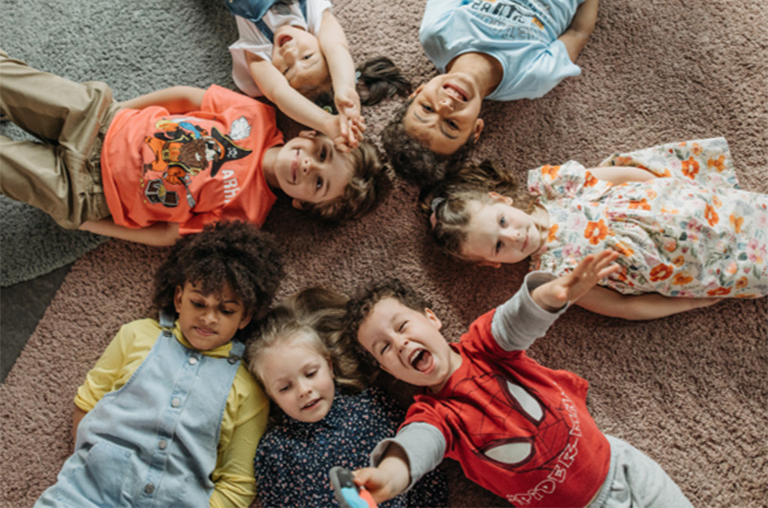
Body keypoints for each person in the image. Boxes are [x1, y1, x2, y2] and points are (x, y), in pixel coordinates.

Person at [345, 253, 694, 507]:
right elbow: (417, 446)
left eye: (403, 326)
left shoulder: (483, 345)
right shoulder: (434, 416)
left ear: (431, 318)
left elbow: (514, 320)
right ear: (389, 371)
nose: (400, 343)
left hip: (622, 466)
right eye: (385, 349)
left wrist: (555, 294)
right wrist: (389, 478)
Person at [0, 51, 383, 247]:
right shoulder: (258, 117)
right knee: (12, 80)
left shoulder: (248, 218)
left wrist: (86, 222)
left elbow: (168, 234)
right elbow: (186, 97)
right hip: (99, 121)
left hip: (89, 194)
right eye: (321, 155)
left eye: (317, 184)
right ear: (311, 135)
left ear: (302, 204)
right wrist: (120, 111)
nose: (306, 167)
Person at [34, 220, 284, 508]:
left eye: (226, 310)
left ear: (245, 318)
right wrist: (92, 462)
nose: (209, 318)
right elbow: (87, 402)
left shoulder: (248, 389)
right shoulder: (136, 335)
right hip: (84, 494)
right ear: (179, 299)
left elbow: (239, 484)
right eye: (198, 303)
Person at [422, 137, 768, 319]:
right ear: (491, 264)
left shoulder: (556, 189)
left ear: (503, 200)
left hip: (687, 207)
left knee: (752, 211)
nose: (514, 236)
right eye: (499, 246)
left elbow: (621, 177)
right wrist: (689, 304)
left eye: (502, 222)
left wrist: (665, 189)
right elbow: (623, 307)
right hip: (689, 268)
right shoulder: (556, 276)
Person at [381, 0, 603, 186]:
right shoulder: (533, 78)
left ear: (417, 92)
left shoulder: (436, 32)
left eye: (427, 109)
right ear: (476, 130)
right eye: (451, 124)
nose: (446, 105)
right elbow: (577, 33)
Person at [244, 287, 447, 508]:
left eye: (311, 374)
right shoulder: (274, 450)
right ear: (271, 396)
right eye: (285, 388)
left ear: (329, 366)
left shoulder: (373, 406)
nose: (303, 390)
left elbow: (420, 468)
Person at [195, 0, 411, 150]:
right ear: (321, 45)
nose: (290, 53)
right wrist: (345, 89)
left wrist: (326, 123)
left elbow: (280, 94)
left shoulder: (259, 45)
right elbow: (337, 46)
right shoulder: (315, 17)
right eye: (308, 57)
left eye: (287, 70)